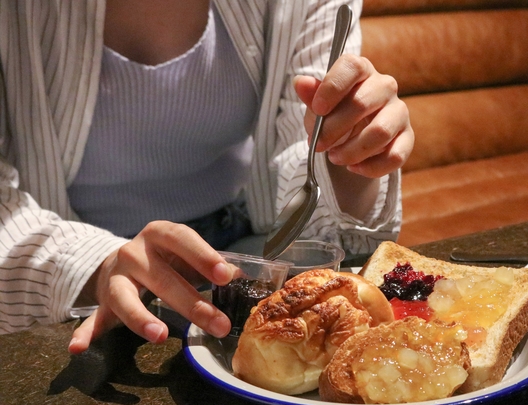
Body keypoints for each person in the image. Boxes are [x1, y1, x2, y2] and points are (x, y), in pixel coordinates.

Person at [0, 0, 413, 352]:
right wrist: (97, 264)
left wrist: (354, 155)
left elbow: (308, 167)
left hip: (245, 251)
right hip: (71, 279)